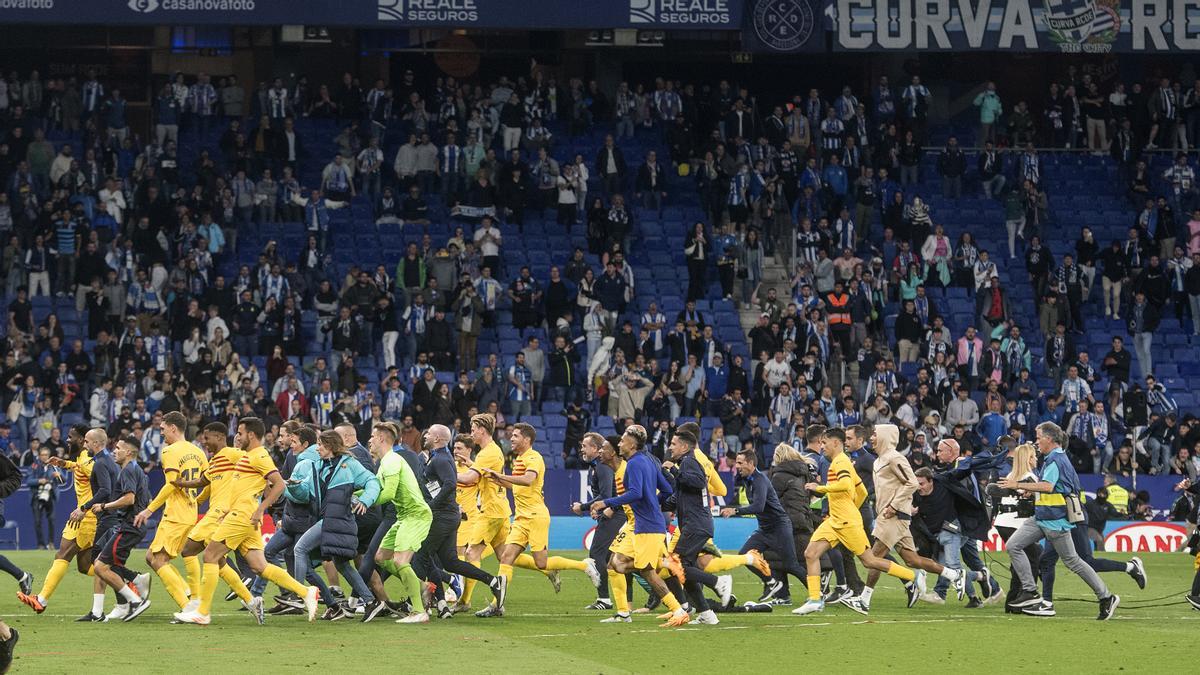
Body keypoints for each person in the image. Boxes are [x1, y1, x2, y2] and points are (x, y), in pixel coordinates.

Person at [173, 417, 319, 625]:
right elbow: (253, 486)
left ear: (251, 434)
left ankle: (203, 611)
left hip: (244, 515)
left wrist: (261, 508)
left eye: (240, 433)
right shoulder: (246, 457)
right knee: (260, 566)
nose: (237, 437)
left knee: (211, 556)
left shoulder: (259, 455)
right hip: (242, 516)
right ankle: (305, 591)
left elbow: (279, 485)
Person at [997, 422, 1119, 620]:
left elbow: (1047, 486)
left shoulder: (1055, 460)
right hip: (1043, 517)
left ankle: (1106, 597)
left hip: (1054, 520)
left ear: (1049, 439)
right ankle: (1030, 591)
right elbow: (1052, 488)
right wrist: (1031, 491)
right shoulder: (1055, 458)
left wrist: (1016, 484)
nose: (1037, 442)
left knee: (1074, 562)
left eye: (1038, 438)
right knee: (1014, 545)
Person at [477, 423, 599, 617]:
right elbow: (515, 485)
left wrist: (500, 475)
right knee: (506, 557)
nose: (512, 438)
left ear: (526, 439)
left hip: (535, 517)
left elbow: (527, 480)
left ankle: (584, 565)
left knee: (541, 563)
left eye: (516, 436)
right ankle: (497, 605)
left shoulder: (534, 458)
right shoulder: (519, 459)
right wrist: (492, 477)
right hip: (521, 517)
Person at [794, 428, 919, 615]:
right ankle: (815, 600)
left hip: (846, 522)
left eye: (824, 443)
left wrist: (820, 488)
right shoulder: (840, 461)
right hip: (835, 519)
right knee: (811, 554)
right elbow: (861, 490)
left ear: (836, 443)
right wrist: (850, 505)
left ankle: (910, 577)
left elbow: (845, 485)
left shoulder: (841, 462)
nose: (821, 447)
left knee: (870, 561)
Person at [845, 424, 964, 614]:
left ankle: (864, 599)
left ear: (884, 436)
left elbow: (912, 482)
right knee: (912, 560)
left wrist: (894, 505)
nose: (872, 438)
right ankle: (953, 574)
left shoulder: (894, 458)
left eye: (875, 434)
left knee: (873, 558)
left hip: (893, 516)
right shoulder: (879, 460)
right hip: (890, 515)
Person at [590, 424, 688, 626]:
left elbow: (636, 493)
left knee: (647, 571)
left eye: (624, 439)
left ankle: (678, 609)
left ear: (632, 444)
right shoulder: (649, 461)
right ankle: (623, 613)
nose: (621, 443)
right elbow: (668, 489)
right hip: (646, 523)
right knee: (613, 565)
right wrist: (654, 503)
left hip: (647, 525)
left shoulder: (634, 463)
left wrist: (606, 502)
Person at [409, 424, 504, 621]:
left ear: (437, 438)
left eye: (429, 433)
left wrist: (431, 506)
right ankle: (493, 582)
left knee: (421, 555)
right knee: (449, 562)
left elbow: (450, 484)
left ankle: (416, 605)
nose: (424, 435)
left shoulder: (441, 459)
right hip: (449, 515)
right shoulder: (441, 458)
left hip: (442, 516)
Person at [168, 422, 260, 621]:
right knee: (217, 561)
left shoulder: (233, 454)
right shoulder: (215, 460)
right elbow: (204, 482)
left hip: (222, 513)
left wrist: (270, 482)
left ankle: (196, 605)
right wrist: (180, 484)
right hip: (216, 512)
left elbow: (255, 462)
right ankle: (251, 600)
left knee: (189, 550)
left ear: (219, 437)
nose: (203, 442)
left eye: (207, 438)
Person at [284, 430, 381, 621]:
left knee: (300, 549)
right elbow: (305, 493)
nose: (317, 448)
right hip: (329, 520)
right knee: (343, 565)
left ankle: (298, 593)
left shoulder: (349, 464)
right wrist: (294, 486)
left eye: (320, 444)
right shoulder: (318, 466)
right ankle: (370, 602)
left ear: (330, 446)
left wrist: (366, 501)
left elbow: (373, 481)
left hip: (337, 521)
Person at [131, 411, 209, 613]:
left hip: (175, 514)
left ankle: (188, 607)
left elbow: (171, 485)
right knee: (152, 556)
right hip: (190, 513)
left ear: (173, 428)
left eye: (163, 429)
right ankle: (190, 595)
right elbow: (209, 482)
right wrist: (197, 501)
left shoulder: (170, 451)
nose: (162, 434)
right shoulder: (198, 451)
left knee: (158, 560)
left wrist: (149, 510)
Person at [362, 421, 434, 623]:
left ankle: (419, 612)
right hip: (404, 516)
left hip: (416, 515)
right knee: (381, 556)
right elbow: (375, 489)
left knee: (400, 561)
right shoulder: (384, 462)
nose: (369, 440)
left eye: (372, 437)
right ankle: (422, 586)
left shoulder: (392, 461)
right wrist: (355, 493)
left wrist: (364, 501)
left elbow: (388, 493)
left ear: (381, 439)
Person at [18, 425, 95, 613]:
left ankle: (41, 599)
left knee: (62, 554)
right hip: (86, 515)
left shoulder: (88, 461)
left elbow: (104, 485)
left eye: (70, 437)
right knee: (85, 566)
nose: (67, 440)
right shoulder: (82, 459)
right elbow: (79, 467)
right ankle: (129, 582)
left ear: (82, 440)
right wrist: (63, 463)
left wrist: (86, 508)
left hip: (86, 517)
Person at [88, 435, 152, 622]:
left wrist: (104, 506)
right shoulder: (136, 470)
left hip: (129, 526)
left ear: (129, 452)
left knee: (100, 566)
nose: (114, 451)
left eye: (118, 448)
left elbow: (129, 499)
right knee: (110, 565)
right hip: (132, 526)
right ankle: (136, 584)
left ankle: (135, 600)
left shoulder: (127, 471)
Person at [573, 432, 624, 611]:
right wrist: (597, 508)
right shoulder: (597, 466)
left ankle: (604, 600)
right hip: (615, 511)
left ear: (595, 448)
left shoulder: (602, 466)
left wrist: (584, 507)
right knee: (615, 558)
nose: (582, 450)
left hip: (618, 513)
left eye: (585, 446)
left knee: (596, 554)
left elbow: (607, 495)